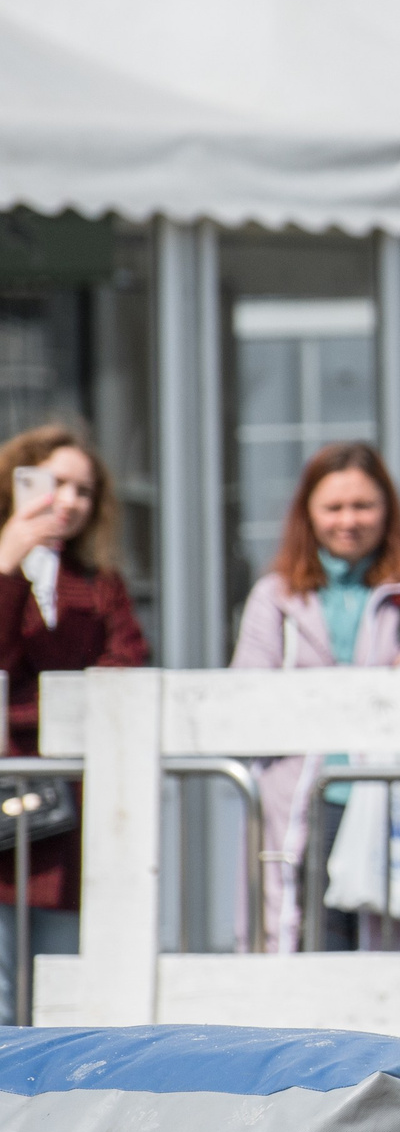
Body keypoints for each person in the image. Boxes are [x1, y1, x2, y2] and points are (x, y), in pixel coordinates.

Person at [232, 442, 400, 953]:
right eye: (333, 507)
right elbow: (248, 694)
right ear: (308, 514)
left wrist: (308, 694)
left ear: (387, 509)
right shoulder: (275, 594)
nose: (348, 520)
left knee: (397, 953)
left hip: (395, 797)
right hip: (306, 803)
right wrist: (387, 673)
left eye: (363, 506)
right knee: (315, 945)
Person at [0, 423, 148, 1025]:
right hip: (7, 792)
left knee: (65, 988)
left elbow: (126, 664)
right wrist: (8, 562)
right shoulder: (9, 564)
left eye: (84, 491)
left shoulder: (97, 582)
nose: (68, 501)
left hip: (70, 805)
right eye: (55, 482)